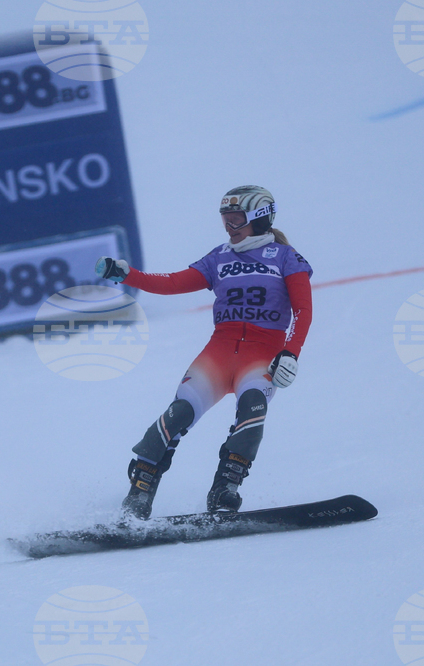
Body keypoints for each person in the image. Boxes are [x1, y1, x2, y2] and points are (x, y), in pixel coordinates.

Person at [94, 185, 314, 519]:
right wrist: (129, 274)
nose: (229, 227)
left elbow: (302, 310)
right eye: (225, 219)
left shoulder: (287, 257)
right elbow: (172, 283)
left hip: (261, 354)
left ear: (260, 218)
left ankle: (225, 491)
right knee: (180, 412)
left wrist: (290, 352)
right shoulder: (219, 257)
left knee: (252, 408)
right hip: (220, 351)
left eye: (236, 219)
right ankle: (139, 491)